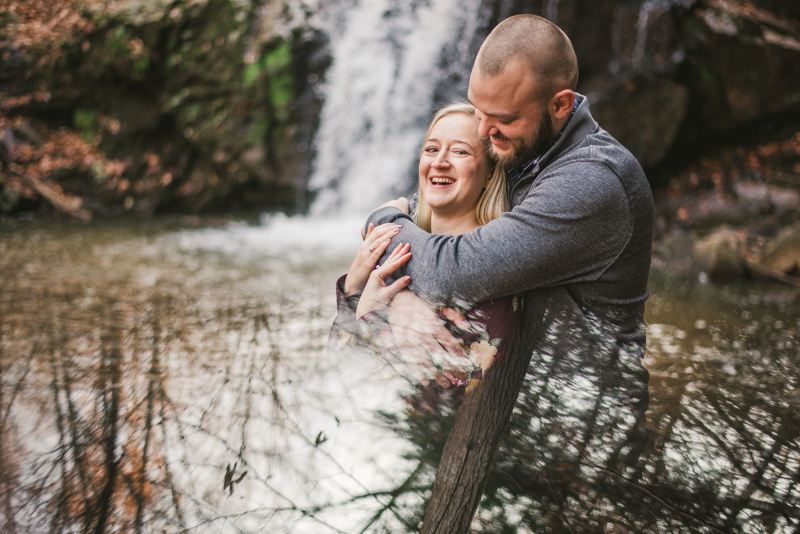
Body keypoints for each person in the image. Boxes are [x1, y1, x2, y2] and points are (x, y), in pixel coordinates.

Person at [330, 103, 523, 390]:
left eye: (459, 151)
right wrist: (353, 287)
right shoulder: (397, 252)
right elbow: (338, 370)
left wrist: (374, 311)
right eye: (431, 150)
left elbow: (443, 391)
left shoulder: (489, 264)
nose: (439, 162)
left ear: (490, 175)